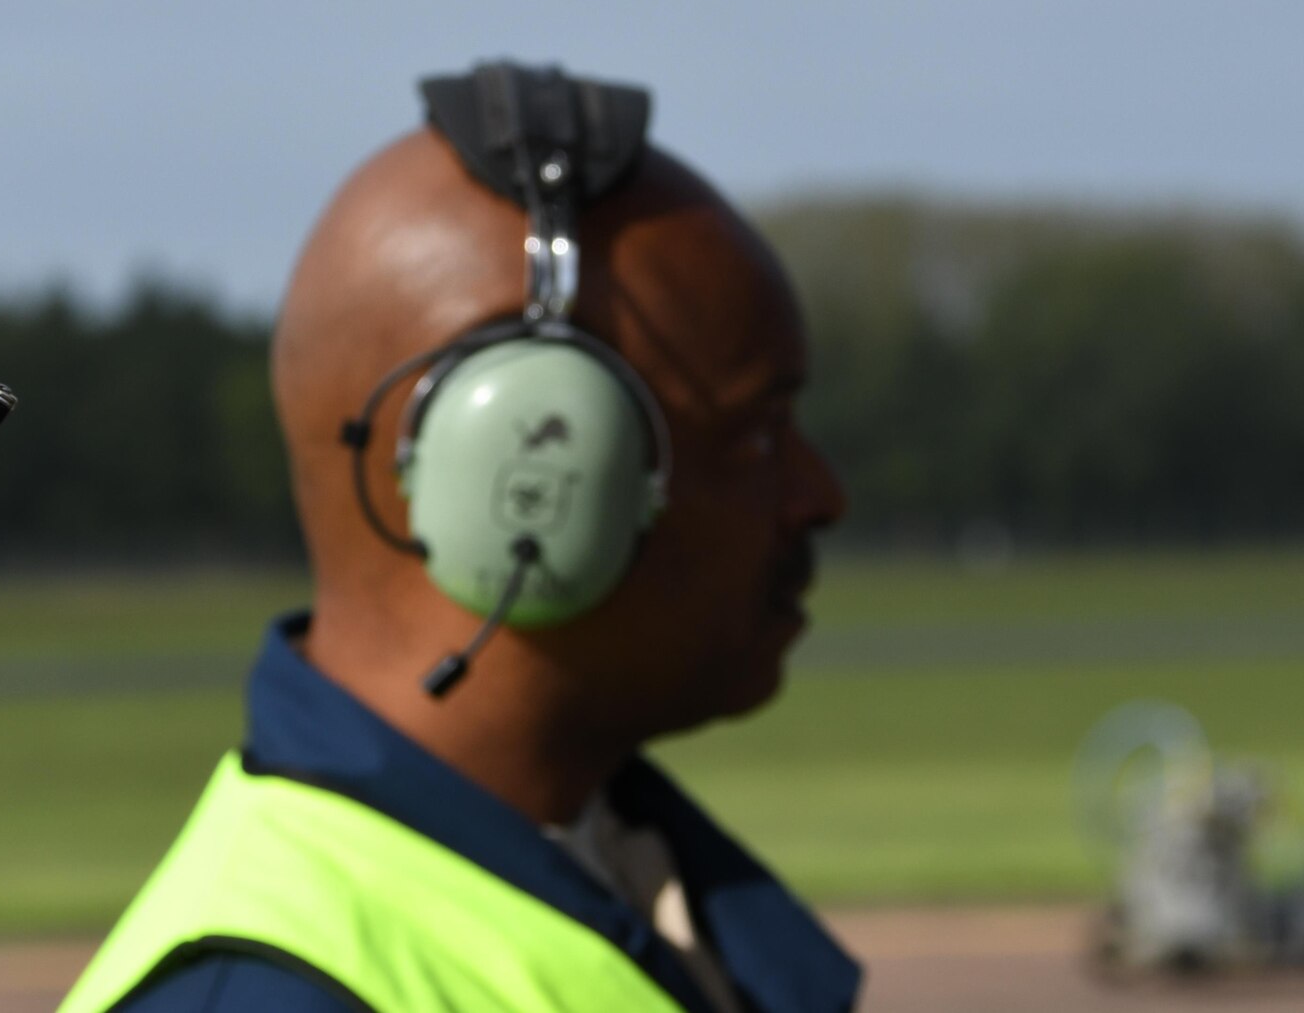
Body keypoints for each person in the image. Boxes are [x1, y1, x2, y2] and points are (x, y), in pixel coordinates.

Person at [61, 63, 863, 1013]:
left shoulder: (631, 876)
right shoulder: (264, 996)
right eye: (756, 431)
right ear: (518, 476)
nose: (820, 496)